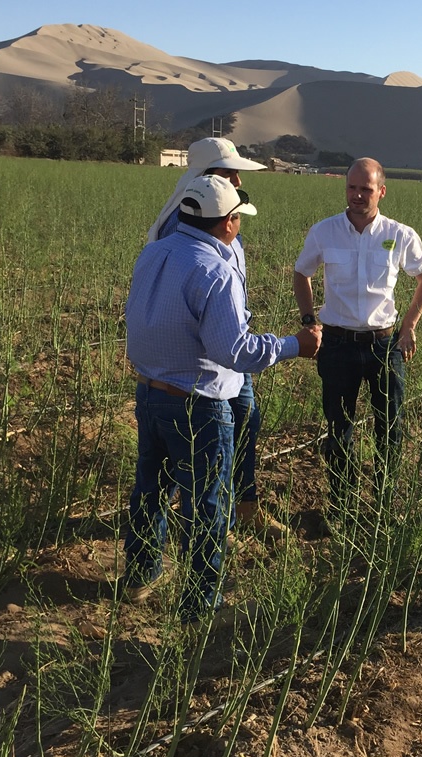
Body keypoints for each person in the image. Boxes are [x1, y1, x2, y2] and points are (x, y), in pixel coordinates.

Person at [125, 174, 321, 621]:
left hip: (150, 393)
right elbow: (234, 351)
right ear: (229, 223)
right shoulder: (216, 270)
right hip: (199, 404)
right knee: (207, 503)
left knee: (150, 489)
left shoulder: (154, 251)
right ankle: (201, 604)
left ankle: (140, 574)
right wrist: (295, 345)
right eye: (238, 219)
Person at [146, 138, 287, 538]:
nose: (238, 180)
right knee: (200, 445)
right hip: (205, 364)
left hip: (227, 348)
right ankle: (207, 525)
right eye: (229, 173)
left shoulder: (215, 213)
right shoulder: (186, 223)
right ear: (206, 178)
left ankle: (243, 507)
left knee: (244, 425)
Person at [292, 157, 422, 517]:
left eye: (366, 189)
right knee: (338, 428)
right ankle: (342, 505)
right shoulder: (324, 232)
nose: (357, 195)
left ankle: (384, 504)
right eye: (352, 188)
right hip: (337, 345)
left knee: (390, 427)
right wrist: (310, 321)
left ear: (381, 192)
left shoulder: (399, 234)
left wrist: (409, 326)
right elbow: (301, 274)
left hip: (384, 346)